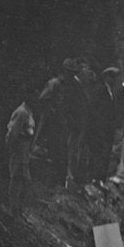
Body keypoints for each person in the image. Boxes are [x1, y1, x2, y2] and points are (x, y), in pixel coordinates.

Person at [37, 57, 88, 189]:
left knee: (61, 154)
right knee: (50, 152)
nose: (71, 75)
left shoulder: (71, 86)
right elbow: (43, 100)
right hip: (51, 124)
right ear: (64, 71)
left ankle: (56, 185)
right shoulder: (55, 83)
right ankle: (45, 185)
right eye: (69, 72)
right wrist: (53, 111)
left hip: (63, 125)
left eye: (73, 73)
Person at [5, 91, 36, 216]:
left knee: (24, 179)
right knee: (17, 177)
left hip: (24, 148)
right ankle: (14, 208)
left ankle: (18, 208)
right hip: (19, 147)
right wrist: (12, 148)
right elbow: (14, 132)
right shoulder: (22, 112)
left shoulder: (29, 111)